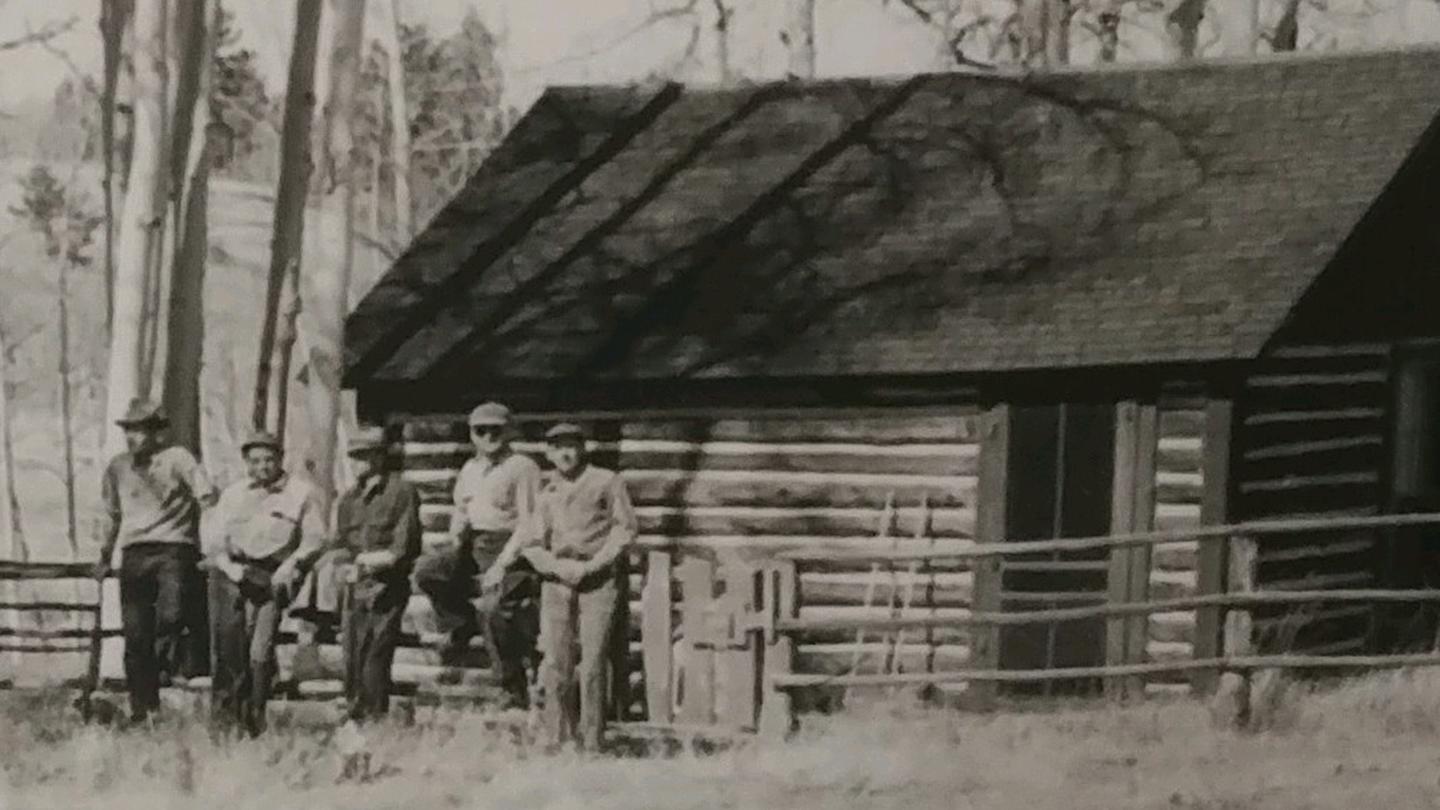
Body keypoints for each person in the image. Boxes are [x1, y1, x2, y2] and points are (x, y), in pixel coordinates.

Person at [95, 398, 220, 723]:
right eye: (129, 432)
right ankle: (144, 710)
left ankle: (177, 669)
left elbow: (207, 498)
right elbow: (112, 515)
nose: (133, 438)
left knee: (172, 614)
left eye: (140, 431)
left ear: (157, 434)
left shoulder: (177, 459)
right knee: (136, 635)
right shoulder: (118, 467)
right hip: (135, 553)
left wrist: (211, 546)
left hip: (175, 549)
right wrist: (104, 555)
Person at [413, 401, 542, 707]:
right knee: (427, 570)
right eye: (480, 430)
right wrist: (455, 541)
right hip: (474, 545)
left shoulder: (522, 467)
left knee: (492, 606)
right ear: (471, 434)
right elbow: (461, 511)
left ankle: (510, 684)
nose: (488, 436)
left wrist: (501, 565)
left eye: (495, 430)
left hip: (512, 550)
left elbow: (530, 523)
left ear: (508, 431)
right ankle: (461, 622)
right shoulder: (470, 469)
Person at [520, 423, 637, 752]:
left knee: (594, 660)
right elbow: (531, 544)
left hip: (597, 580)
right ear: (548, 453)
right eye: (557, 447)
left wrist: (593, 565)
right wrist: (557, 567)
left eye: (571, 445)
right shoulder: (547, 493)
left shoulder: (606, 481)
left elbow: (625, 529)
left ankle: (593, 741)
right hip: (557, 582)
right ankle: (558, 737)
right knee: (557, 660)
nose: (565, 453)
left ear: (583, 448)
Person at [206, 430, 326, 736]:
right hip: (236, 575)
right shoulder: (233, 495)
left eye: (269, 459)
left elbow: (315, 538)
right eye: (256, 461)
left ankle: (256, 717)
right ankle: (231, 719)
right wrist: (231, 570)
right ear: (246, 462)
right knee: (233, 648)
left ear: (280, 459)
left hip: (275, 575)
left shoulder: (300, 493)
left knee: (260, 648)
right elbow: (214, 542)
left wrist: (291, 564)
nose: (263, 467)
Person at [332, 426, 422, 723]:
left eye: (365, 456)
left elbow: (403, 547)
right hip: (354, 588)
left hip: (387, 586)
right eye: (354, 456)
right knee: (351, 659)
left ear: (380, 458)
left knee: (375, 658)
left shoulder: (401, 492)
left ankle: (374, 722)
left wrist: (365, 562)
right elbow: (341, 544)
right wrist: (343, 564)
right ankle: (355, 723)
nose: (358, 462)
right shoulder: (348, 500)